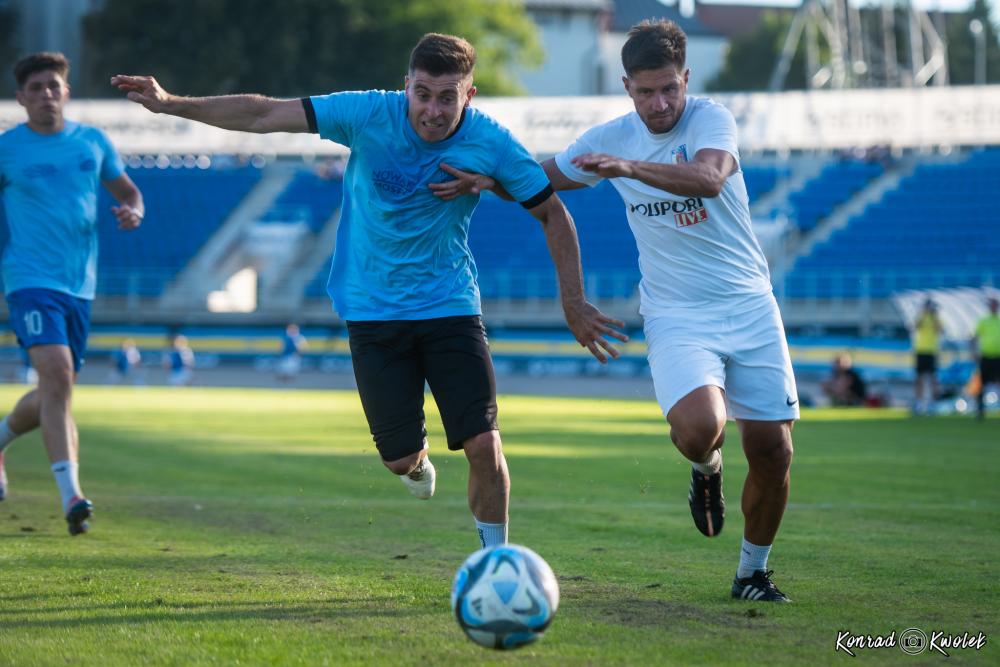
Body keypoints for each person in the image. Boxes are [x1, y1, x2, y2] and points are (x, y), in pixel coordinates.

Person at [113, 33, 626, 550]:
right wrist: (172, 103)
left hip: (449, 306)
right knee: (400, 459)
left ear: (468, 96)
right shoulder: (366, 114)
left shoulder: (492, 142)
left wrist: (573, 301)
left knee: (485, 445)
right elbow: (264, 114)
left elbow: (552, 212)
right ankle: (416, 463)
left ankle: (497, 562)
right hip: (372, 312)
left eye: (447, 97)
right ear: (406, 87)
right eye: (422, 94)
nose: (432, 110)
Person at [444, 20, 797, 600]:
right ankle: (706, 468)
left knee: (772, 451)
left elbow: (709, 179)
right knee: (698, 430)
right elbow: (537, 180)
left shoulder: (711, 120)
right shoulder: (609, 138)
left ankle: (751, 574)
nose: (660, 104)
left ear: (686, 79)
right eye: (646, 91)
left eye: (670, 89)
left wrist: (630, 169)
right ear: (627, 86)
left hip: (750, 303)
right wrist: (488, 180)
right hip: (677, 313)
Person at [0, 52, 144, 533]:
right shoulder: (7, 149)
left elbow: (128, 193)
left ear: (67, 92)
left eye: (53, 85)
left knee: (55, 390)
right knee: (58, 375)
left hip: (80, 286)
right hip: (28, 281)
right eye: (36, 87)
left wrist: (133, 211)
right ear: (21, 98)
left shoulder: (93, 142)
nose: (46, 94)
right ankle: (72, 497)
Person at [911, 298, 943, 415]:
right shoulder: (920, 316)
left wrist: (934, 317)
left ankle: (932, 404)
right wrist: (923, 314)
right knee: (919, 378)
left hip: (932, 351)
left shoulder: (936, 318)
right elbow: (914, 327)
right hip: (920, 351)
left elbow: (940, 330)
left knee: (933, 378)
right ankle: (919, 403)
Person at [971, 296, 1000, 420]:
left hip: (998, 357)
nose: (994, 307)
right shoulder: (983, 321)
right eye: (992, 305)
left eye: (995, 305)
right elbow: (974, 337)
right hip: (986, 357)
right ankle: (980, 410)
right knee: (981, 384)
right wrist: (974, 352)